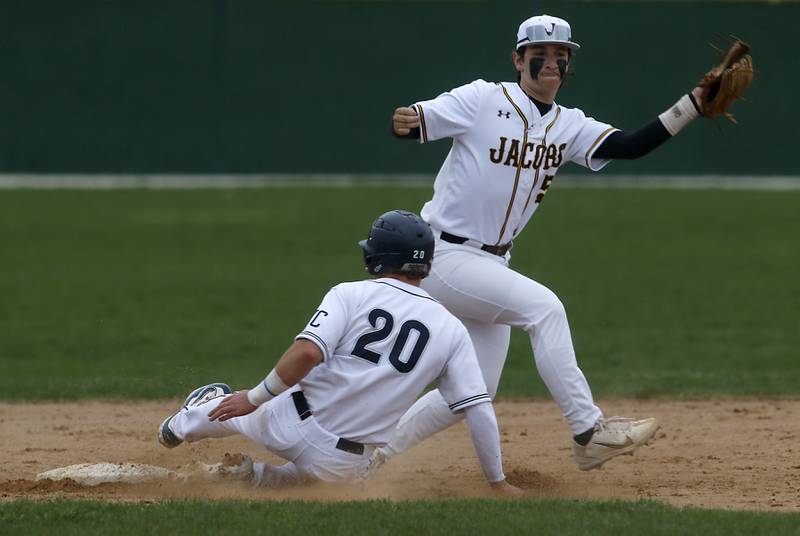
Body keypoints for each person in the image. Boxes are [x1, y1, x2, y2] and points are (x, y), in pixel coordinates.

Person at [370, 14, 705, 474]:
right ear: (518, 59)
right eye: (541, 55)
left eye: (561, 57)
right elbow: (413, 124)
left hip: (492, 264)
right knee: (545, 309)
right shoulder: (483, 98)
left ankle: (372, 457)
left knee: (474, 392)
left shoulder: (569, 125)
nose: (552, 64)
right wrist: (405, 121)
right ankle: (589, 432)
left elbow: (629, 145)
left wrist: (693, 104)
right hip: (444, 254)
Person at [157, 210, 521, 494]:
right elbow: (478, 407)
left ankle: (179, 425)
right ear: (425, 264)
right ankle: (257, 478)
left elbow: (306, 355)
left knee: (237, 410)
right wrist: (497, 482)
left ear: (377, 257)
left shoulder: (351, 293)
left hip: (288, 423)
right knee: (309, 484)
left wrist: (253, 398)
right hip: (343, 463)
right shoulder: (452, 329)